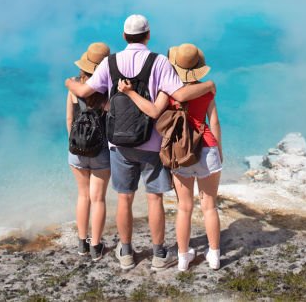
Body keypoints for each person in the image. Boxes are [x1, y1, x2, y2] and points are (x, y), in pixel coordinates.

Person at [64, 15, 215, 270]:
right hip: (152, 142)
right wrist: (209, 85)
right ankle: (158, 254)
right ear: (148, 35)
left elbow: (83, 92)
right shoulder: (160, 62)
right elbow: (179, 94)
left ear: (124, 36)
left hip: (118, 144)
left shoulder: (110, 63)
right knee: (154, 198)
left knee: (125, 198)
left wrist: (69, 82)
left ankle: (125, 252)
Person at [118, 42, 223, 271]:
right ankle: (214, 255)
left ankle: (183, 258)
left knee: (184, 207)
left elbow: (154, 113)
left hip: (179, 151)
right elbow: (213, 122)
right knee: (209, 206)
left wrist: (129, 93)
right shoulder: (207, 90)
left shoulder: (167, 92)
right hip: (207, 148)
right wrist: (219, 151)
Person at [66, 42, 112, 261]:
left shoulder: (74, 85)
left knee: (83, 196)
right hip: (101, 151)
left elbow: (69, 119)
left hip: (76, 150)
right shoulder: (107, 89)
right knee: (98, 199)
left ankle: (81, 244)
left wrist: (76, 142)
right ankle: (96, 246)